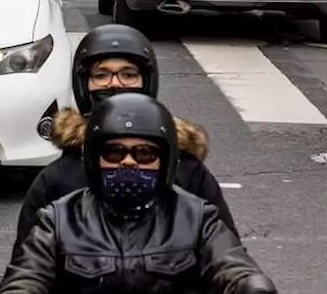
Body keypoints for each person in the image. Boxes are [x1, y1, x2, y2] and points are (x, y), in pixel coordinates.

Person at [0, 93, 278, 294]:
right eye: (114, 152)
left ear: (164, 161)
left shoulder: (197, 218)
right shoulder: (58, 220)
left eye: (144, 153)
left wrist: (253, 285)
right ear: (95, 160)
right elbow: (27, 275)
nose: (129, 162)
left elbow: (232, 266)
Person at [14, 25, 235, 246]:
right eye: (101, 75)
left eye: (128, 75)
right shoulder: (58, 178)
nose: (115, 84)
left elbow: (225, 248)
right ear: (83, 84)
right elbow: (29, 258)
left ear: (147, 81)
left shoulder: (188, 171)